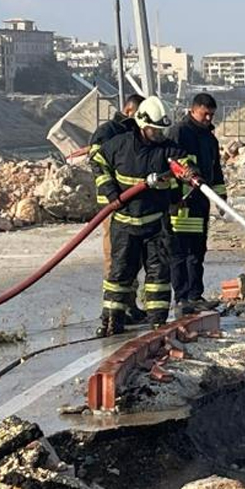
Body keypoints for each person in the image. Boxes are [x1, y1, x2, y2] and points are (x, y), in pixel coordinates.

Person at [91, 96, 194, 336]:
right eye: (154, 130)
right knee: (119, 275)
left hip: (156, 224)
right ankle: (111, 322)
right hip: (124, 223)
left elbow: (184, 162)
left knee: (158, 276)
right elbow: (98, 161)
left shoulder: (167, 149)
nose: (158, 135)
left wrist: (189, 171)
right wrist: (111, 192)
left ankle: (158, 324)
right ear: (141, 124)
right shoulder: (120, 145)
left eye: (161, 131)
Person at [166, 93, 228, 315]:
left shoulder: (210, 139)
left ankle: (195, 296)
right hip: (181, 204)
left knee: (197, 253)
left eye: (212, 115)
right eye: (205, 114)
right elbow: (171, 163)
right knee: (180, 254)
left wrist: (221, 199)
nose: (209, 119)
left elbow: (215, 172)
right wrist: (176, 196)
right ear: (193, 110)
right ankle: (182, 298)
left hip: (200, 205)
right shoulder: (179, 133)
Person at [90, 94, 147, 325]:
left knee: (133, 256)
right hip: (112, 206)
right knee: (115, 256)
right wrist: (114, 194)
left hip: (133, 205)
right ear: (129, 110)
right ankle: (112, 309)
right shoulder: (107, 132)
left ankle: (129, 304)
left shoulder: (135, 131)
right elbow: (97, 164)